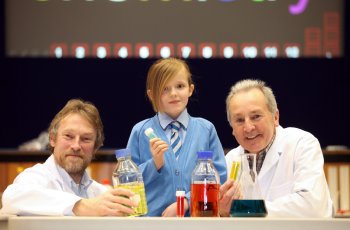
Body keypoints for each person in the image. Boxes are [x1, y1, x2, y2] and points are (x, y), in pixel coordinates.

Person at [1, 99, 138, 216]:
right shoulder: (35, 177)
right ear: (52, 139)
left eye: (86, 139)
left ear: (95, 147)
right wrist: (80, 206)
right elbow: (11, 198)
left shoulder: (100, 193)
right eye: (68, 136)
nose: (76, 145)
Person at [127, 58, 227, 216]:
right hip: (151, 224)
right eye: (164, 88)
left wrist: (187, 201)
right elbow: (128, 183)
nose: (173, 93)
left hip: (198, 223)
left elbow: (220, 177)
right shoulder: (140, 132)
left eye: (180, 86)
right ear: (152, 95)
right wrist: (154, 164)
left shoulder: (206, 129)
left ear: (190, 89)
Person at [219, 79, 333, 217]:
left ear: (275, 117)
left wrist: (248, 208)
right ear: (232, 127)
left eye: (256, 117)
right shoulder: (230, 160)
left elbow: (312, 206)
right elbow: (222, 214)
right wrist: (223, 212)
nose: (248, 127)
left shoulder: (301, 144)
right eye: (239, 120)